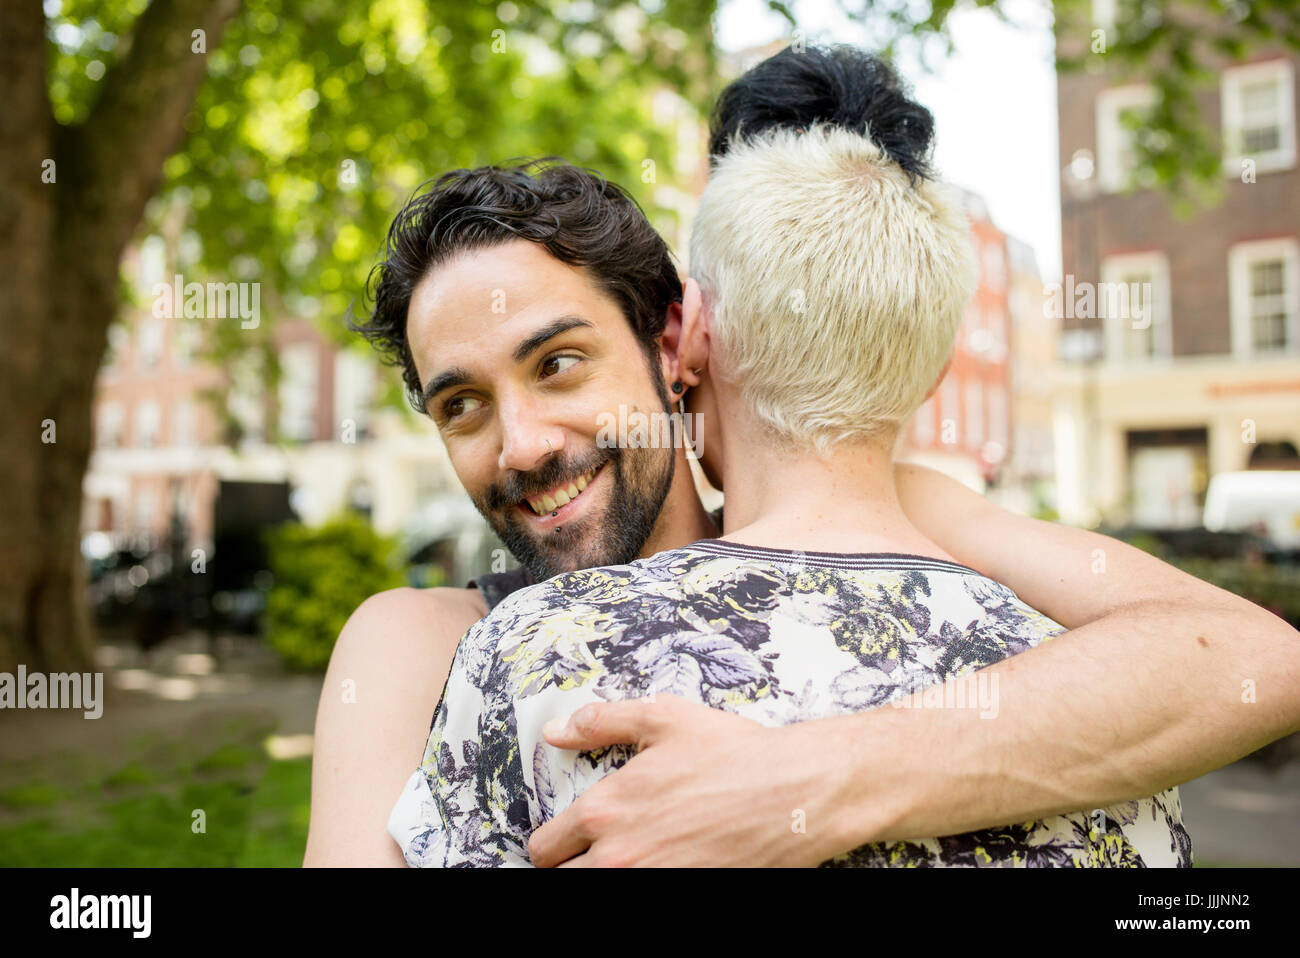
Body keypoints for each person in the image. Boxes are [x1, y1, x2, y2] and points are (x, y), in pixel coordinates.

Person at [304, 45, 1300, 868]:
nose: (520, 444)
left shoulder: (918, 520)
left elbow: (1248, 656)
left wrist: (800, 782)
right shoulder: (421, 643)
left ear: (676, 341)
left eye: (559, 363)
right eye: (461, 404)